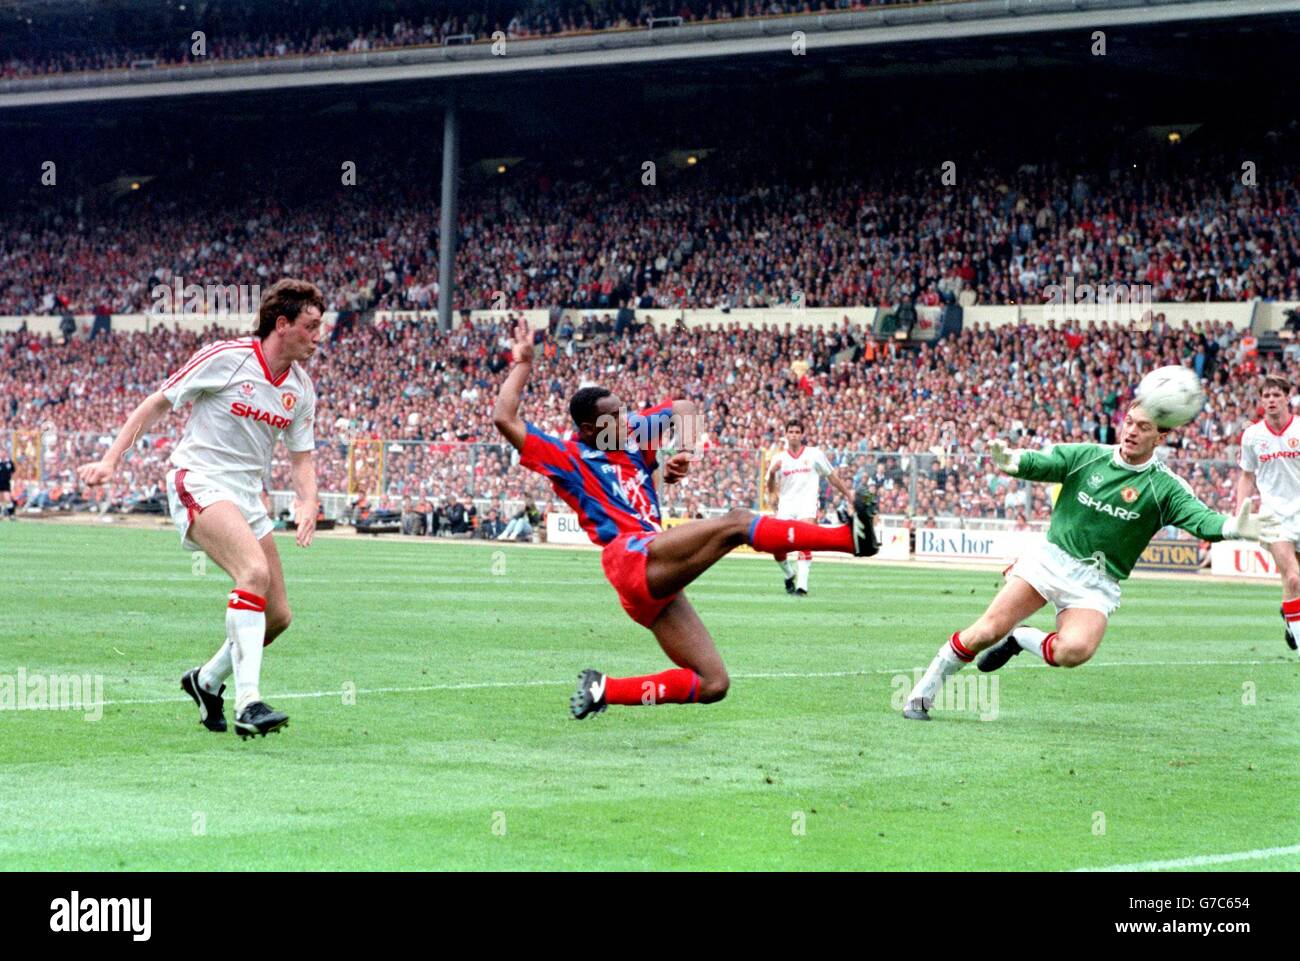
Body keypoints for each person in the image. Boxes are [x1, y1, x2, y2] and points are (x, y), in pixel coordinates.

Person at [492, 320, 879, 720]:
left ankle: (602, 689)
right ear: (590, 429)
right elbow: (505, 418)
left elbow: (684, 409)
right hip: (629, 556)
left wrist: (686, 455)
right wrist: (522, 364)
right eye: (615, 418)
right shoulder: (567, 458)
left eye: (625, 414)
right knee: (735, 523)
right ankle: (848, 539)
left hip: (651, 571)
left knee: (713, 683)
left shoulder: (632, 438)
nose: (627, 422)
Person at [902, 402, 1279, 721]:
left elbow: (1201, 520)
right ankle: (923, 692)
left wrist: (1232, 527)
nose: (1131, 431)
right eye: (1129, 422)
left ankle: (1022, 638)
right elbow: (1044, 462)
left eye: (1143, 427)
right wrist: (1013, 462)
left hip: (1097, 582)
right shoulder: (1088, 457)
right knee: (986, 630)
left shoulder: (1165, 486)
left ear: (1159, 438)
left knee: (1074, 652)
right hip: (1050, 560)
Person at [77, 279, 324, 739]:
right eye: (310, 326)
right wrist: (112, 459)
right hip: (200, 480)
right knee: (253, 573)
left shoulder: (301, 389)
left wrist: (308, 501)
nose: (318, 336)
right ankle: (250, 702)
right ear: (282, 324)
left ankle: (206, 680)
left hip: (248, 497)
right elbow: (158, 403)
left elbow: (301, 456)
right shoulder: (227, 357)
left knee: (279, 616)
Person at [1235, 375, 1300, 652]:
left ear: (1287, 397)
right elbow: (1246, 476)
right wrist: (1240, 513)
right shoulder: (1252, 436)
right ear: (1261, 400)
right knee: (1293, 577)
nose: (1271, 400)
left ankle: (1290, 618)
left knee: (1297, 582)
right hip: (1274, 515)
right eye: (1266, 396)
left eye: (1276, 395)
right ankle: (1299, 643)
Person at [764, 419, 856, 596]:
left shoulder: (814, 454)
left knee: (804, 541)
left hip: (807, 504)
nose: (794, 435)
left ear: (802, 434)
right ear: (786, 434)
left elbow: (832, 476)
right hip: (786, 506)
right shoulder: (779, 458)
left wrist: (847, 494)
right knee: (777, 549)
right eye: (791, 432)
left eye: (797, 432)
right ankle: (789, 574)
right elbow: (770, 488)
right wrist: (773, 473)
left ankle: (802, 587)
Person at [0, 454, 14, 520]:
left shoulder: (9, 463)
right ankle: (1, 514)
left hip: (6, 484)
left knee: (8, 499)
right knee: (1, 500)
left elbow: (13, 471)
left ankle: (11, 514)